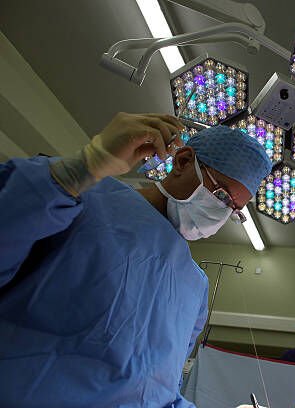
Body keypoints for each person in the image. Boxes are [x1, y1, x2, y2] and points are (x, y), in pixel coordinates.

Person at [0, 113, 272, 407]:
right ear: (182, 161)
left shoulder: (195, 285)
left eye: (233, 208)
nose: (222, 211)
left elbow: (159, 392)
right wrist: (80, 170)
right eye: (221, 194)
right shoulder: (80, 199)